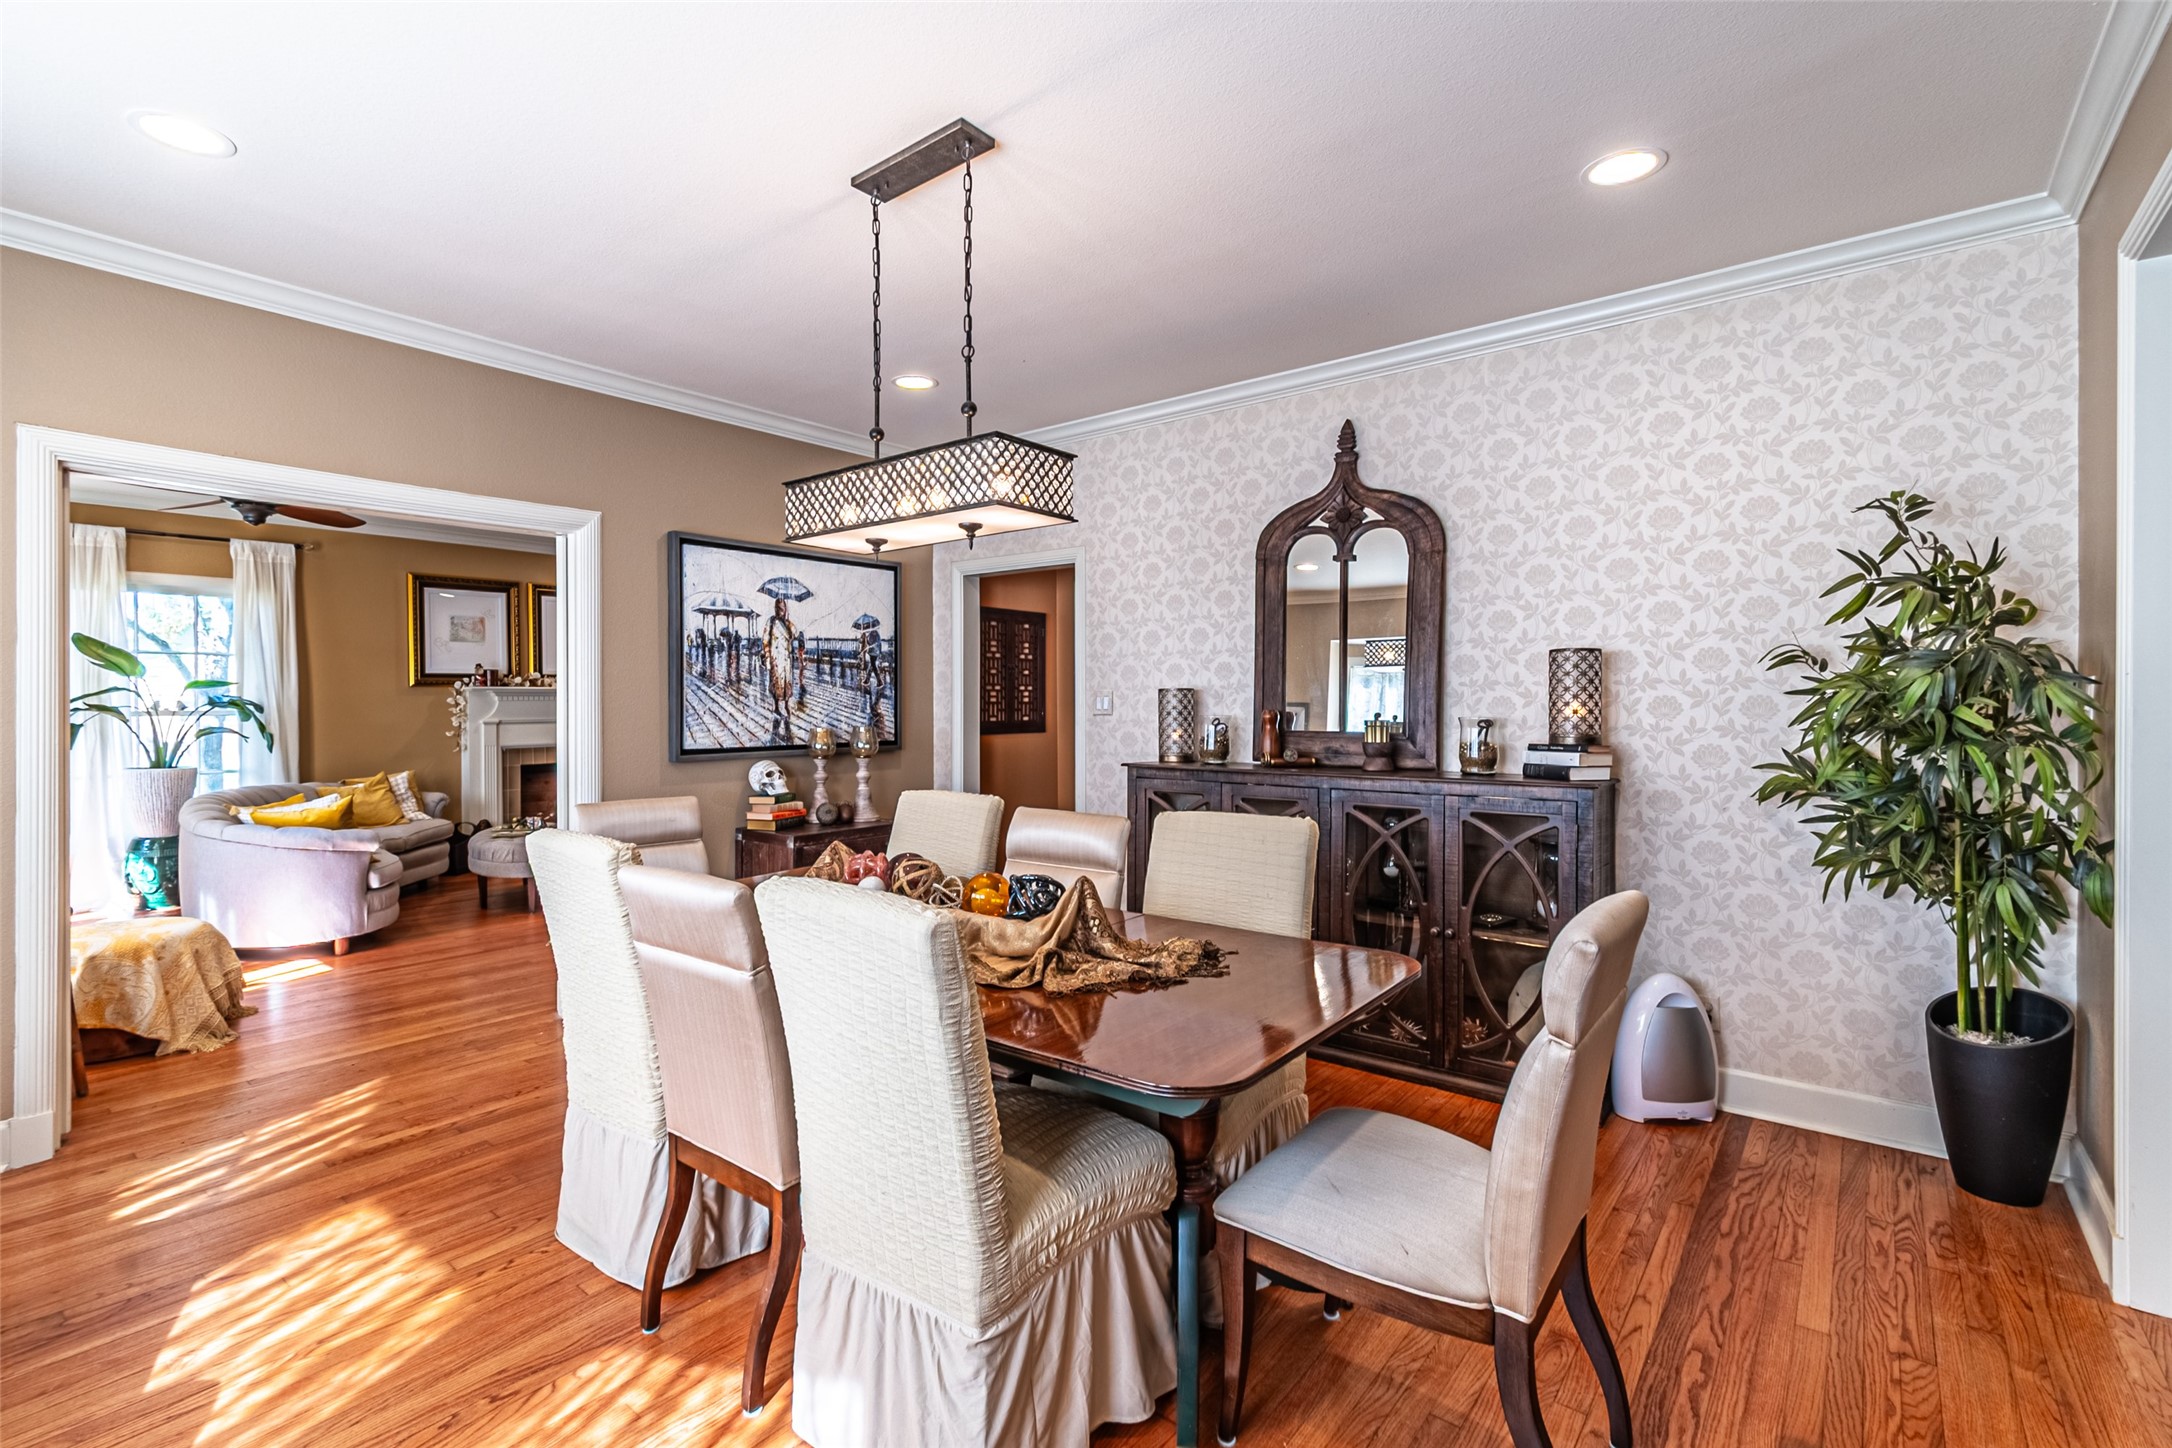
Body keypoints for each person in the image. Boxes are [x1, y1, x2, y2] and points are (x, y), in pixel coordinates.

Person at [763, 596, 799, 743]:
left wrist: (788, 621)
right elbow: (765, 640)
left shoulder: (788, 622)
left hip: (786, 658)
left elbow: (795, 634)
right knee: (775, 683)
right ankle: (777, 706)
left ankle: (785, 705)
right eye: (778, 608)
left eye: (783, 608)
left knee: (787, 683)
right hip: (775, 657)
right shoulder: (770, 622)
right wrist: (767, 656)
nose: (780, 611)